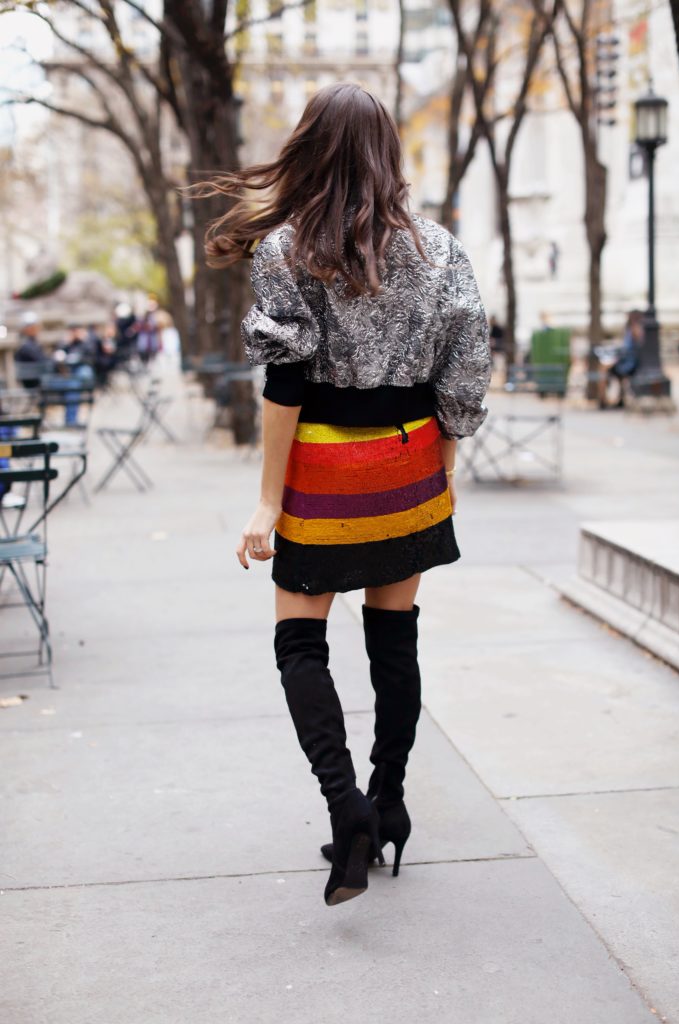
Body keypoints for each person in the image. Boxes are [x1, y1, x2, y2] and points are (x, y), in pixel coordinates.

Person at [196, 83, 491, 907]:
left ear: (310, 148)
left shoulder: (287, 250)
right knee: (394, 642)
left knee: (300, 646)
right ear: (386, 151)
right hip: (408, 468)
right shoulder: (439, 249)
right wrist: (446, 469)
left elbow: (285, 385)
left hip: (325, 475)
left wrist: (266, 502)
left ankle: (347, 809)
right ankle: (390, 798)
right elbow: (464, 372)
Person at [598, 310, 642, 409]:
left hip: (629, 362)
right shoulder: (629, 329)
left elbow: (633, 348)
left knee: (603, 368)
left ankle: (602, 400)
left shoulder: (635, 329)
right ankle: (609, 398)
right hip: (625, 360)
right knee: (604, 368)